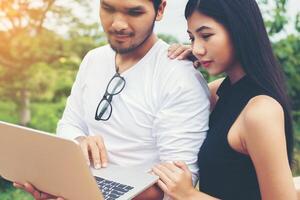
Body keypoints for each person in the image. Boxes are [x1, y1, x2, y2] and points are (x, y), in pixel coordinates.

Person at [13, 0, 210, 199]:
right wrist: (78, 143)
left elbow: (178, 182)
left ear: (159, 10)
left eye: (134, 12)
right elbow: (70, 123)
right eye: (108, 8)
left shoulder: (179, 77)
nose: (118, 24)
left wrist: (87, 194)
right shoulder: (93, 59)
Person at [152, 0, 297, 199]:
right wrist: (184, 63)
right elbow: (173, 99)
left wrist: (189, 195)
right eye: (192, 38)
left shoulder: (261, 110)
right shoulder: (221, 91)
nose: (197, 48)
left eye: (206, 36)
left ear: (240, 29)